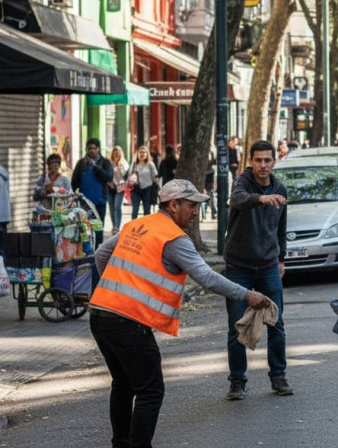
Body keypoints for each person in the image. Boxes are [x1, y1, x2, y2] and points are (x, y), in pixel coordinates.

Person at [89, 179, 271, 448]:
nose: (196, 211)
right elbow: (207, 278)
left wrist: (115, 288)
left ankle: (121, 443)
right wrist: (247, 294)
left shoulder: (137, 224)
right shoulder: (174, 238)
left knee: (124, 384)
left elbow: (101, 253)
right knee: (150, 390)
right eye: (191, 205)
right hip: (127, 322)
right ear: (173, 205)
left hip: (100, 313)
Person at [223, 140, 290, 400]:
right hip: (238, 266)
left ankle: (279, 377)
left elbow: (281, 229)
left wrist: (281, 259)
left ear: (274, 161)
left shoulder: (280, 189)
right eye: (258, 160)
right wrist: (261, 198)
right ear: (250, 161)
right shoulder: (241, 184)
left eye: (268, 160)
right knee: (236, 326)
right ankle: (237, 381)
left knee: (277, 323)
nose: (263, 165)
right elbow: (238, 200)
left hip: (268, 265)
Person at [71, 138, 113, 248]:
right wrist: (78, 195)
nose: (92, 151)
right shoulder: (81, 164)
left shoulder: (105, 162)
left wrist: (95, 167)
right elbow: (74, 181)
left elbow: (108, 177)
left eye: (94, 148)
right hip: (85, 204)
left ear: (98, 149)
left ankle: (98, 250)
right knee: (84, 228)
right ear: (86, 149)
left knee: (98, 228)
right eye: (90, 148)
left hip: (99, 202)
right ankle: (86, 251)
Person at [128, 146, 159, 220]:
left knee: (147, 210)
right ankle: (134, 227)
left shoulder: (150, 164)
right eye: (140, 152)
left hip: (147, 189)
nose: (142, 154)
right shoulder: (135, 164)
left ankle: (146, 227)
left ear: (147, 154)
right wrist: (133, 161)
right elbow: (129, 174)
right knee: (135, 210)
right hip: (136, 189)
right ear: (137, 154)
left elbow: (155, 175)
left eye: (144, 152)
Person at [107, 146, 129, 235]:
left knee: (117, 207)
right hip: (110, 188)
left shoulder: (124, 163)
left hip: (120, 188)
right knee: (111, 208)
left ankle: (117, 226)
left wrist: (119, 168)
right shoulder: (109, 163)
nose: (116, 154)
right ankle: (114, 225)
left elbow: (126, 176)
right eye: (115, 152)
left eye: (118, 152)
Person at [203, 150, 217, 221]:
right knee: (211, 195)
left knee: (206, 196)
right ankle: (212, 212)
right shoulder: (211, 153)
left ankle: (204, 213)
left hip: (206, 177)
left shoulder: (204, 153)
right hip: (210, 177)